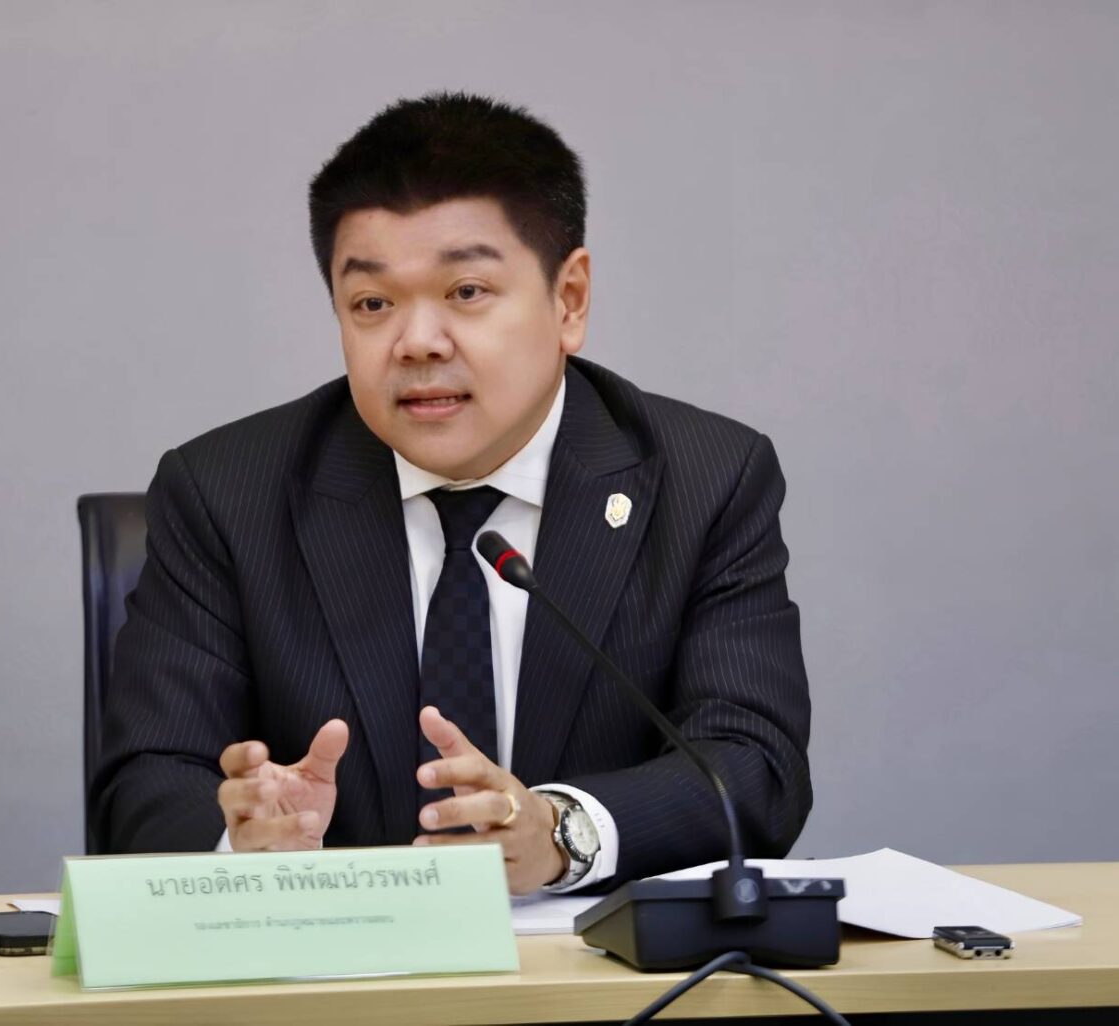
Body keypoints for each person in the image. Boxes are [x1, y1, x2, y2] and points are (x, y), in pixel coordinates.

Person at [91, 92, 812, 895]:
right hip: (334, 965)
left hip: (599, 968)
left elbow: (754, 764)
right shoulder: (228, 495)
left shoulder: (705, 480)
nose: (418, 342)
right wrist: (245, 842)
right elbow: (145, 783)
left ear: (569, 299)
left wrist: (561, 832)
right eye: (373, 304)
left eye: (466, 292)